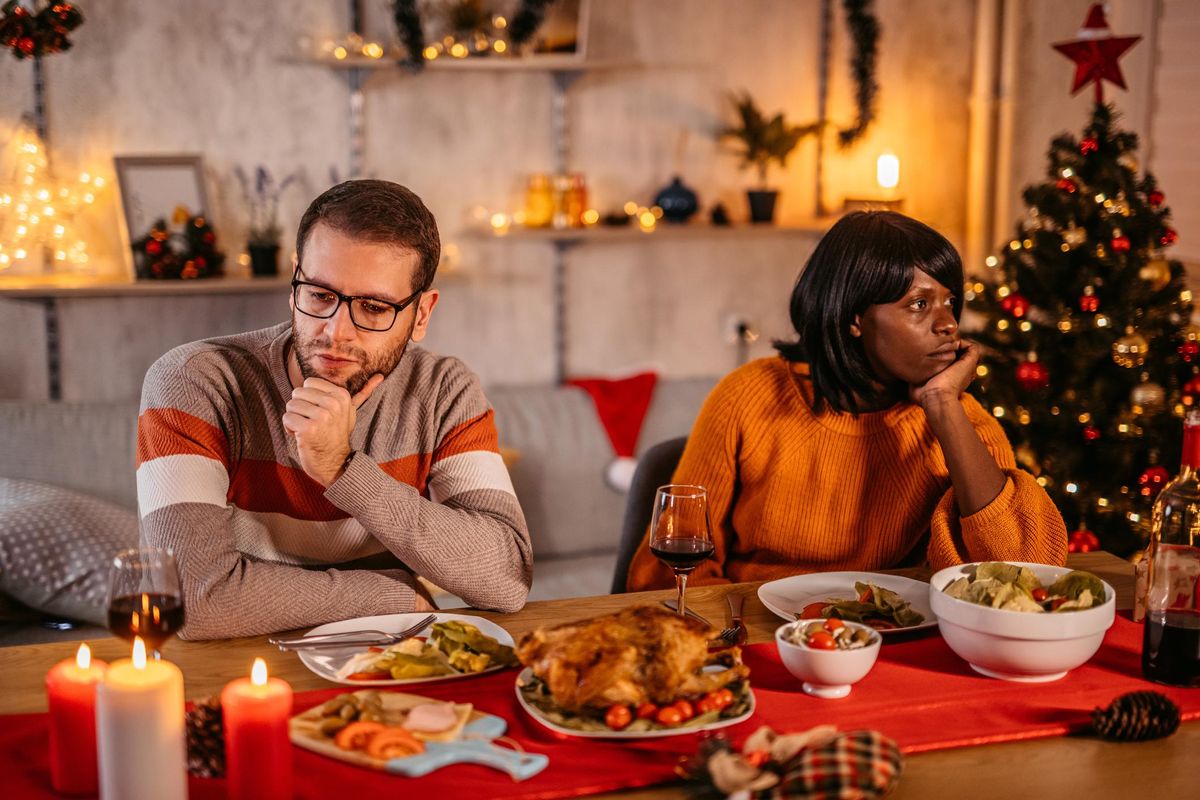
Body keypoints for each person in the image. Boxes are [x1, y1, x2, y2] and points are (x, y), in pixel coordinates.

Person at [137, 180, 533, 639]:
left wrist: (341, 469)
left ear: (422, 313)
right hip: (244, 663)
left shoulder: (443, 390)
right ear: (294, 282)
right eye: (320, 295)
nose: (335, 331)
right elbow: (190, 601)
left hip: (382, 666)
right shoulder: (195, 380)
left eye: (373, 306)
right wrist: (392, 595)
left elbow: (506, 580)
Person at [627, 211, 1067, 590]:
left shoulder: (956, 417)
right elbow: (671, 569)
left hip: (890, 643)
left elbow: (1023, 573)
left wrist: (943, 406)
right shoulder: (748, 397)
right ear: (855, 318)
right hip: (758, 638)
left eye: (950, 302)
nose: (948, 324)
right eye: (918, 304)